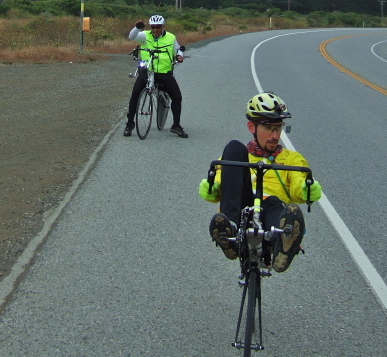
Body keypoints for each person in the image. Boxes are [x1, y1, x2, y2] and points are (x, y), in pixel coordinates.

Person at [198, 92, 322, 272]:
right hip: (243, 207)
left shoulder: (291, 159)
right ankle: (230, 230)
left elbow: (298, 182)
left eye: (278, 128)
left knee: (274, 204)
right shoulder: (240, 155)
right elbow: (223, 177)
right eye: (269, 128)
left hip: (272, 208)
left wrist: (305, 189)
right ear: (251, 127)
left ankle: (282, 245)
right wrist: (212, 186)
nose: (275, 135)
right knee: (233, 147)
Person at [123, 14, 188, 138]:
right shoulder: (145, 36)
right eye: (153, 27)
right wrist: (137, 27)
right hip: (147, 71)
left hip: (164, 72)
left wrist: (180, 56)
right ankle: (130, 123)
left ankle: (176, 125)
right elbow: (132, 36)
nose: (155, 30)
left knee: (177, 97)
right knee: (135, 93)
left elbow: (178, 49)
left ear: (163, 27)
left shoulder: (170, 37)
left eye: (158, 27)